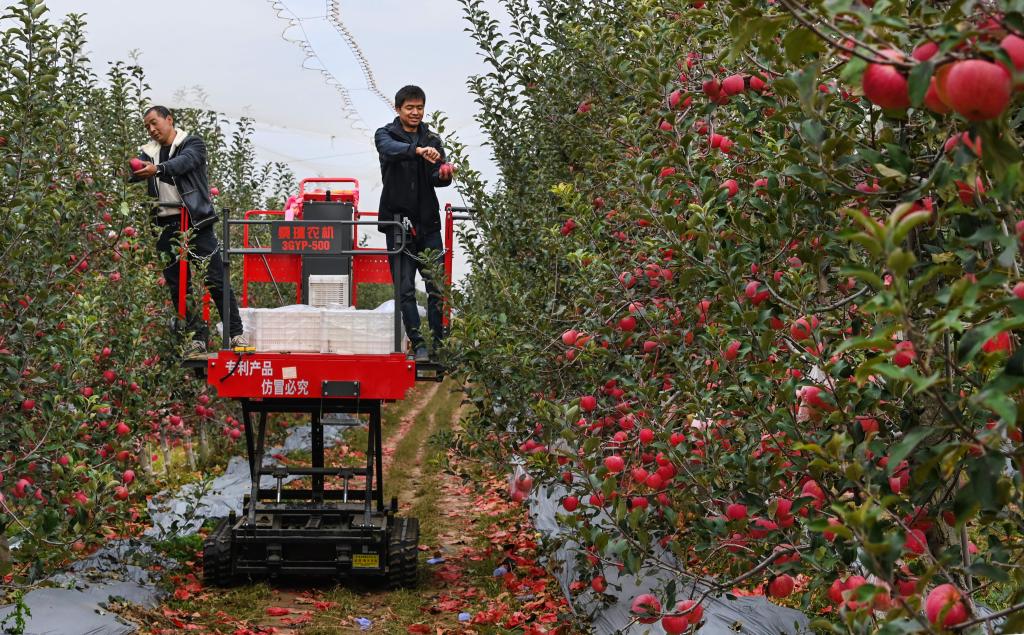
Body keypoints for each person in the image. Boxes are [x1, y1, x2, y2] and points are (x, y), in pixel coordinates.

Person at [131, 105, 246, 356]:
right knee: (179, 285)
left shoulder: (192, 144)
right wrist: (132, 170)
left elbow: (184, 164)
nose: (151, 129)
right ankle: (197, 338)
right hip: (165, 226)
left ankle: (236, 333)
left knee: (215, 279)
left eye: (154, 123)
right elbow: (134, 173)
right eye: (146, 127)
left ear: (169, 120)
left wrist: (157, 170)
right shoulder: (148, 153)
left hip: (195, 223)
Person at [375, 85, 453, 362]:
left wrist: (443, 172)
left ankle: (439, 345)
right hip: (398, 225)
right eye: (410, 107)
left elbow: (436, 177)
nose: (415, 112)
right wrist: (418, 151)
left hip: (427, 224)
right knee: (405, 288)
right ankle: (418, 344)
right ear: (398, 109)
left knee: (437, 287)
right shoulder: (385, 134)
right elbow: (390, 150)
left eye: (419, 107)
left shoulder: (432, 137)